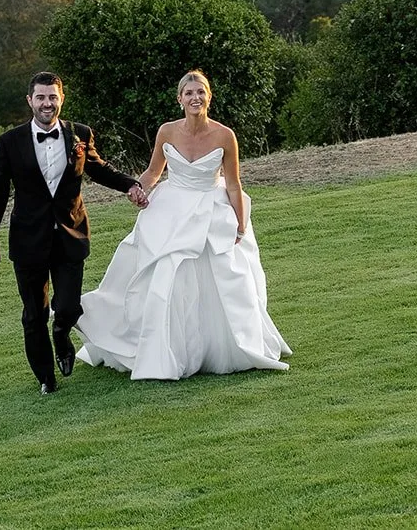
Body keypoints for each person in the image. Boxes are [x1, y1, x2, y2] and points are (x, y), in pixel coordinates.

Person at [75, 69, 290, 380]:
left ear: (209, 97)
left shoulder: (224, 135)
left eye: (200, 92)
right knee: (166, 274)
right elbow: (152, 172)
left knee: (223, 277)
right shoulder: (167, 131)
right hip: (171, 208)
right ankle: (165, 348)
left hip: (210, 209)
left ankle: (222, 346)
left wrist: (240, 225)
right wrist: (139, 189)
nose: (195, 97)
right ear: (180, 99)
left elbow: (233, 184)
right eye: (189, 93)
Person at [0, 71, 149, 394]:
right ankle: (46, 378)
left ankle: (62, 332)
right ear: (30, 101)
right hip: (28, 241)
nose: (47, 103)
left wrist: (131, 185)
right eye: (41, 97)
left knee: (69, 306)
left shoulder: (80, 135)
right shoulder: (9, 143)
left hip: (70, 235)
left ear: (62, 98)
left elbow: (100, 169)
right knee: (34, 314)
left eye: (53, 97)